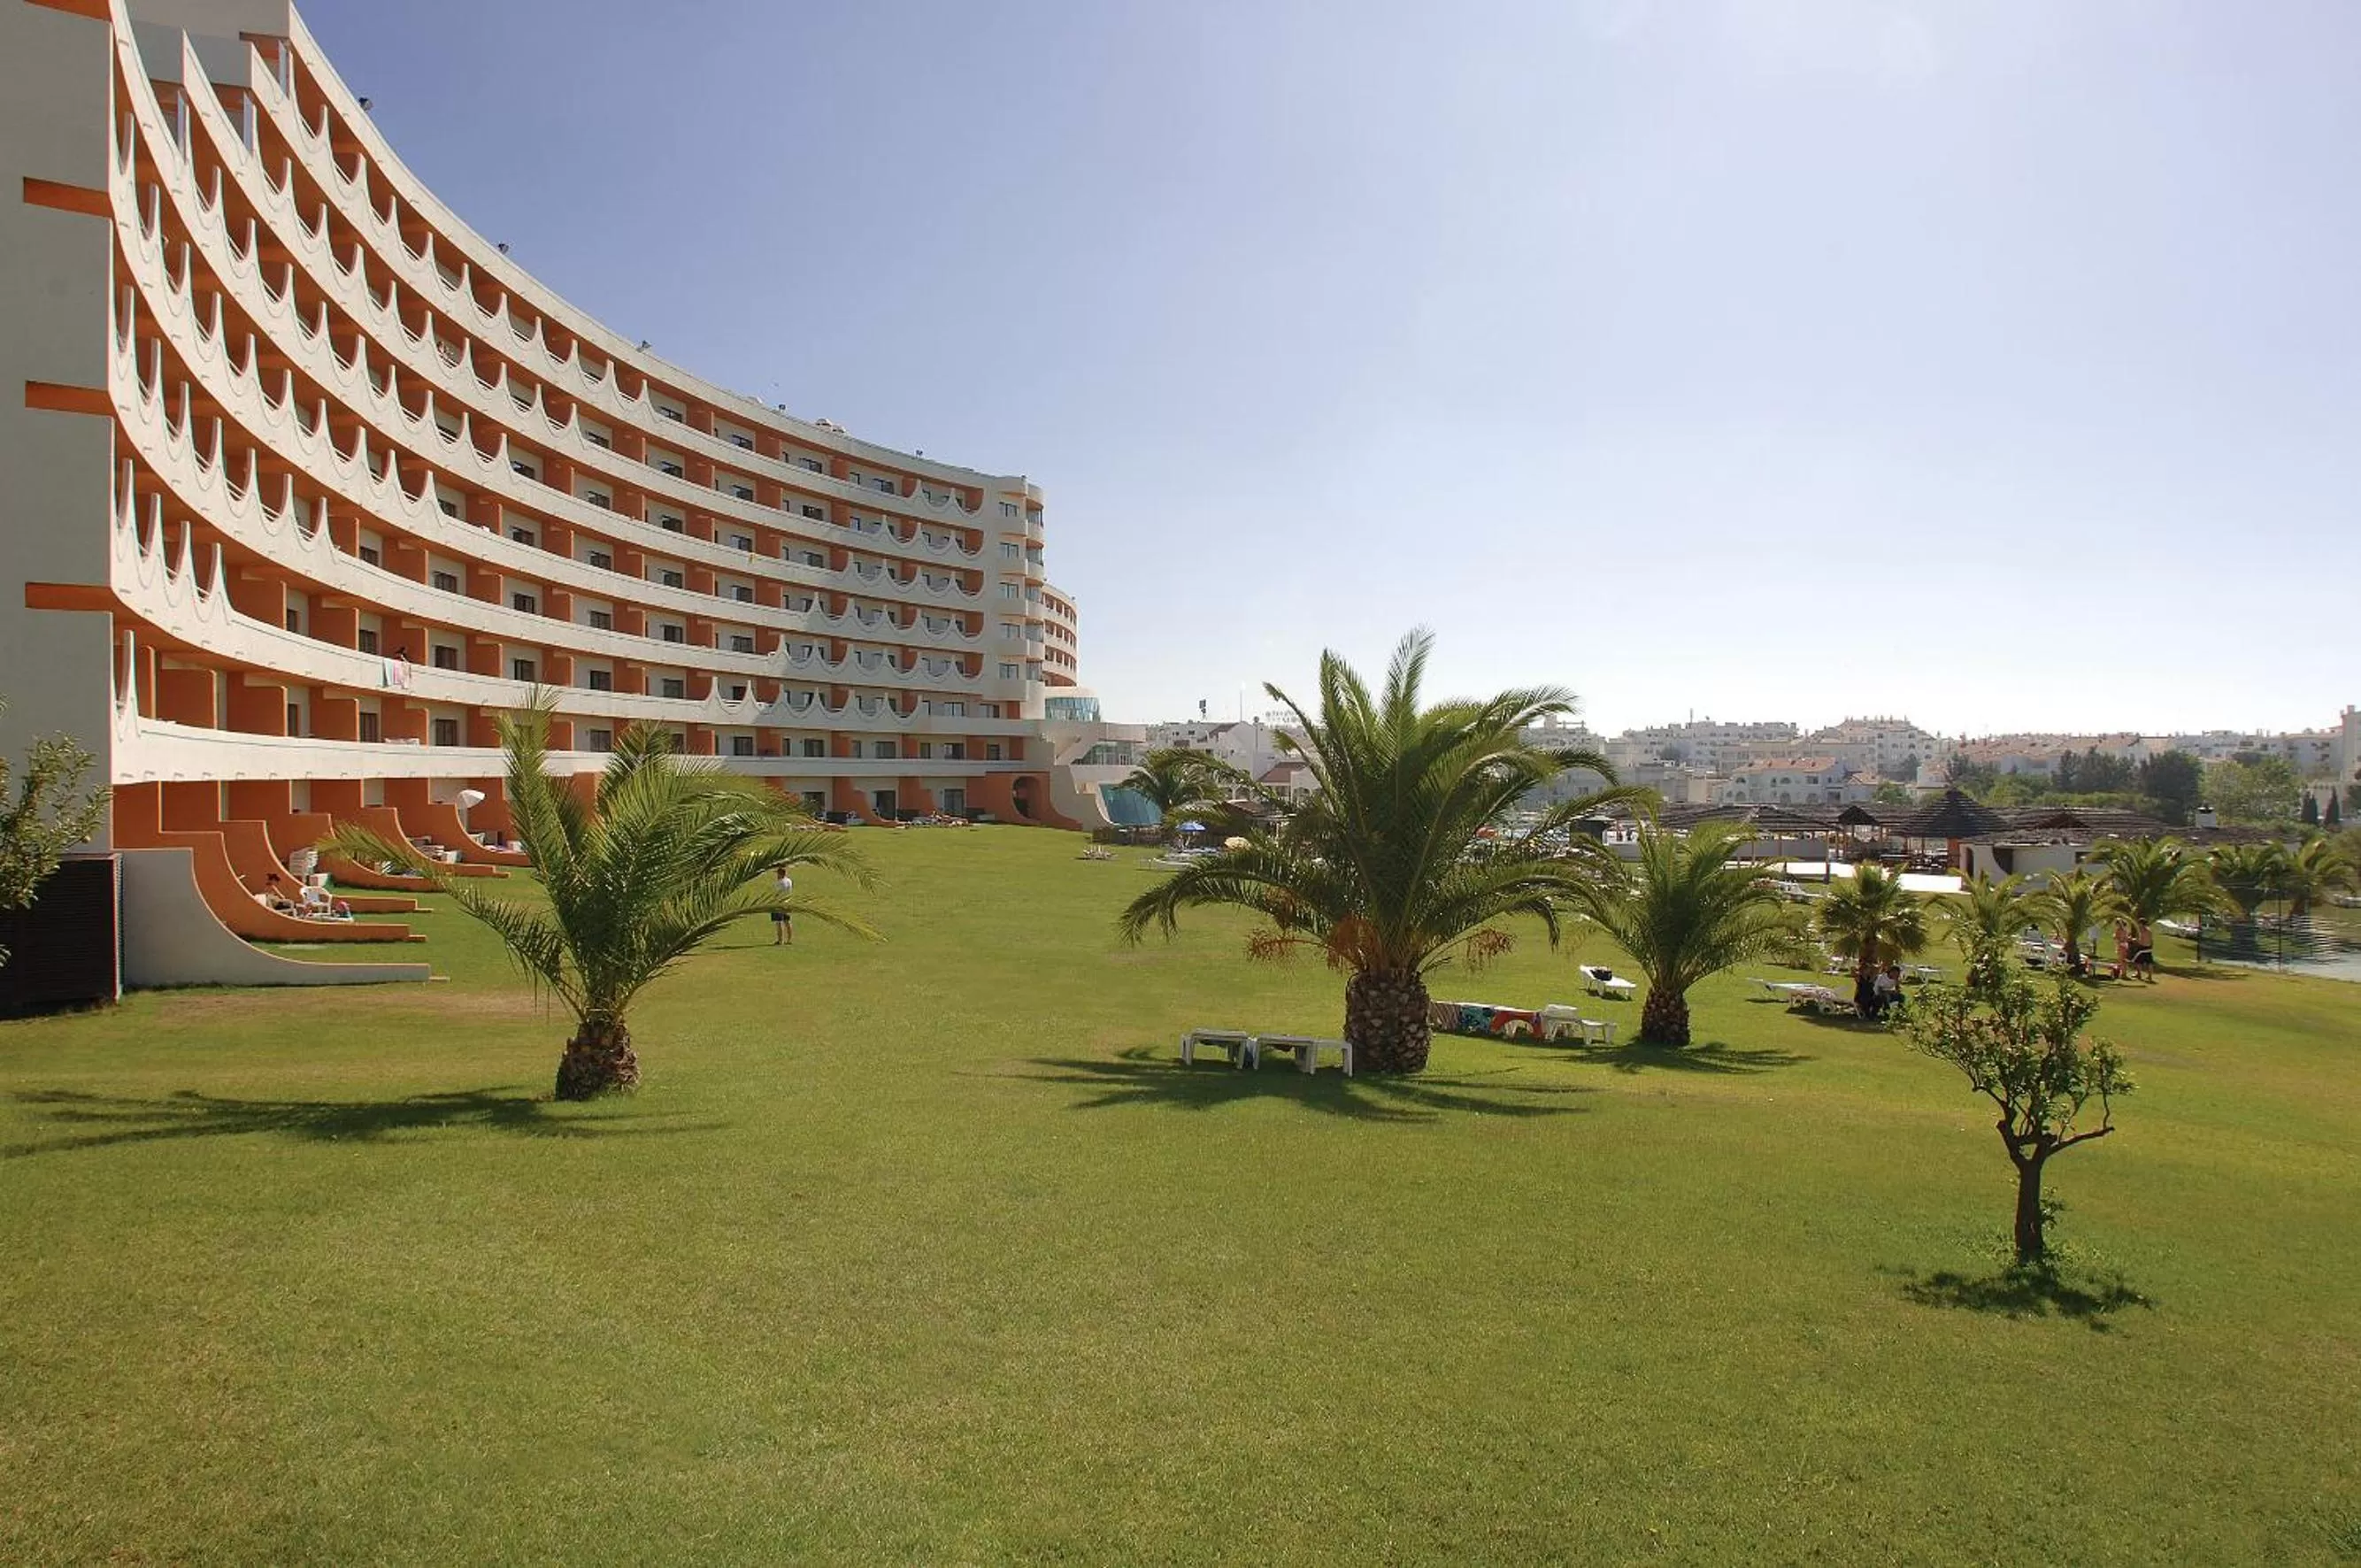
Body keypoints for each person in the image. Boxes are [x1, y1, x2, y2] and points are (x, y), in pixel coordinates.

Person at [771, 866, 794, 946]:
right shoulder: (789, 881)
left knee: (778, 922)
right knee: (787, 921)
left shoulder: (779, 883)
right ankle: (789, 939)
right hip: (787, 902)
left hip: (779, 903)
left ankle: (780, 940)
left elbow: (776, 894)